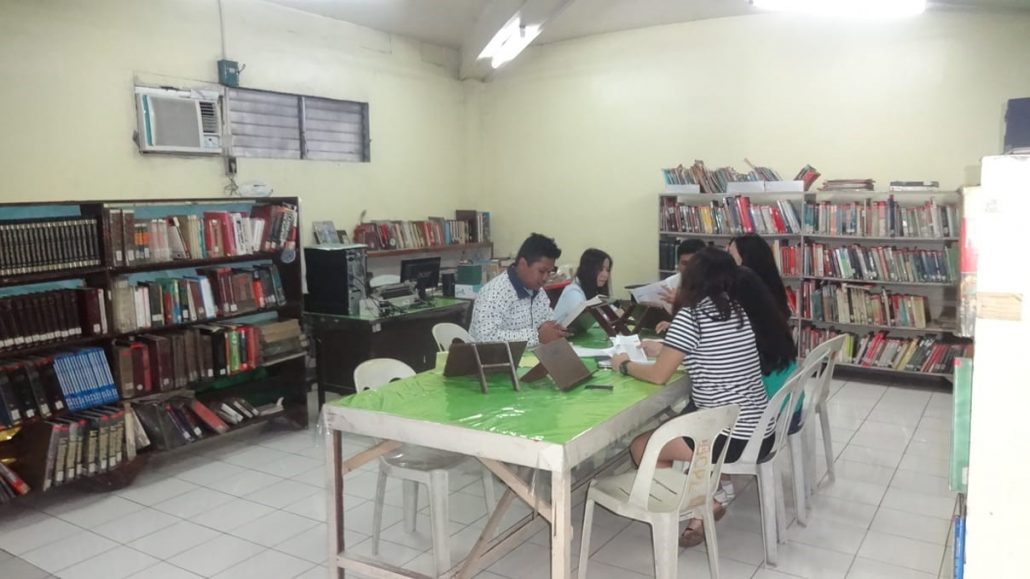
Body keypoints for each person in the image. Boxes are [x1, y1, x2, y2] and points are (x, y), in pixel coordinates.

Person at [610, 247, 773, 548]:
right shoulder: (736, 311)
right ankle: (704, 502)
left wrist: (625, 365)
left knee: (642, 447)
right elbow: (713, 354)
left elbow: (659, 376)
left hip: (730, 437)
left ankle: (689, 506)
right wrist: (669, 346)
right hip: (759, 429)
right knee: (679, 422)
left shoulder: (692, 315)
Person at [469, 233, 567, 346]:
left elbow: (547, 322)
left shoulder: (539, 291)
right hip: (495, 360)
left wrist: (554, 330)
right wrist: (537, 336)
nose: (545, 278)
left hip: (532, 357)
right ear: (522, 264)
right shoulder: (494, 293)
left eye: (549, 272)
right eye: (541, 271)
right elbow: (485, 338)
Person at [727, 234, 791, 319]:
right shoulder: (774, 289)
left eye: (731, 255)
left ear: (746, 259)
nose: (727, 261)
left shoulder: (744, 293)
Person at [552, 248, 612, 323]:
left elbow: (606, 310)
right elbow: (586, 320)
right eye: (600, 269)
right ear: (588, 269)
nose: (605, 275)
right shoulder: (574, 293)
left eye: (607, 270)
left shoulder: (594, 289)